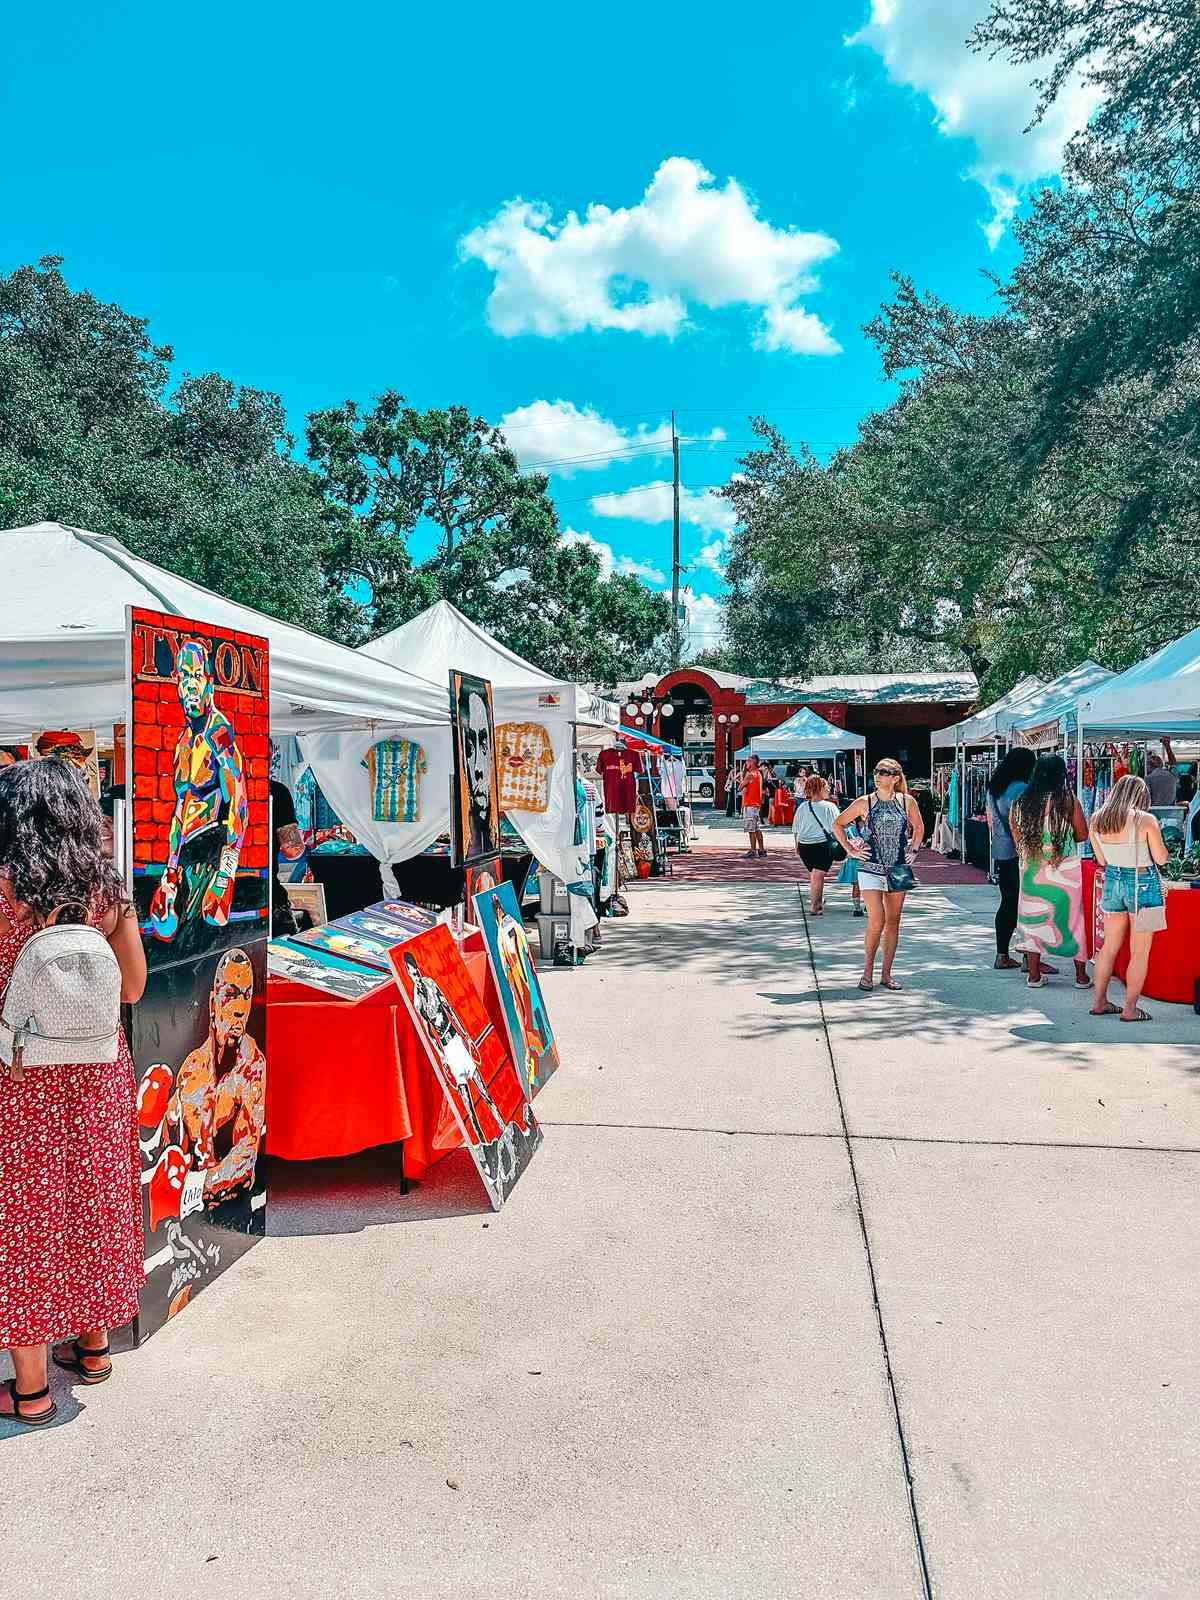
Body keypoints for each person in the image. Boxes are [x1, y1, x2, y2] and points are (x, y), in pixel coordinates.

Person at [0, 759, 147, 1425]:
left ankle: (29, 1392)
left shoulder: (5, 892)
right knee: (93, 1197)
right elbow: (133, 988)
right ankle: (92, 1348)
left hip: (19, 1078)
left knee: (26, 1218)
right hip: (97, 1072)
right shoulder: (106, 891)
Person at [150, 639, 250, 943]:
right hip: (185, 858)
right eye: (184, 676)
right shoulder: (183, 742)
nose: (190, 685)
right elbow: (182, 805)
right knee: (164, 930)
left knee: (208, 929)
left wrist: (227, 869)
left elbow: (240, 802)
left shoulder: (219, 732)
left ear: (209, 683)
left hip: (212, 849)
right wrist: (170, 869)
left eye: (197, 676)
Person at [834, 761, 924, 991]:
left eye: (883, 773)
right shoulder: (865, 801)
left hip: (898, 868)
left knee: (893, 922)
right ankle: (867, 973)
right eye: (876, 772)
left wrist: (914, 850)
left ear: (895, 777)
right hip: (870, 867)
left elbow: (919, 827)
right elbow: (838, 824)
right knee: (877, 919)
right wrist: (850, 850)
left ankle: (886, 974)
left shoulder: (907, 801)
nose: (877, 776)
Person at [1088, 775, 1169, 1022]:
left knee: (1109, 946)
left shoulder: (1097, 819)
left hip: (1113, 880)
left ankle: (1099, 1001)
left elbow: (1101, 860)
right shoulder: (1145, 820)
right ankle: (1130, 1008)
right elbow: (1162, 858)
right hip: (1142, 882)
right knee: (1140, 951)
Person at [1011, 754, 1090, 989]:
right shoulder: (1067, 800)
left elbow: (1017, 840)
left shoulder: (1021, 802)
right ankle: (1081, 977)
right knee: (1073, 919)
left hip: (1032, 870)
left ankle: (1034, 975)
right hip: (1065, 870)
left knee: (1033, 920)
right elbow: (1083, 834)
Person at [986, 747, 1037, 971]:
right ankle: (1029, 958)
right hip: (1020, 852)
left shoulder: (994, 789)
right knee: (1026, 905)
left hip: (1001, 850)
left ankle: (1002, 954)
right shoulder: (1021, 789)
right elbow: (1026, 822)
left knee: (1007, 902)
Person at [792, 774, 840, 916]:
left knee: (814, 874)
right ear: (819, 789)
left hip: (804, 846)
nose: (828, 789)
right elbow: (837, 827)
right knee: (818, 874)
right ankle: (815, 905)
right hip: (822, 845)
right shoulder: (830, 807)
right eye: (826, 787)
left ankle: (817, 899)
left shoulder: (802, 807)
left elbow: (796, 829)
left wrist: (797, 846)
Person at [738, 755, 767, 859]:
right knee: (756, 828)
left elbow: (740, 786)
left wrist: (742, 776)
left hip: (750, 804)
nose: (746, 762)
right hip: (756, 804)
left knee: (751, 829)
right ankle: (762, 849)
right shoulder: (758, 774)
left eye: (748, 761)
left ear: (752, 762)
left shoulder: (750, 774)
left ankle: (753, 850)